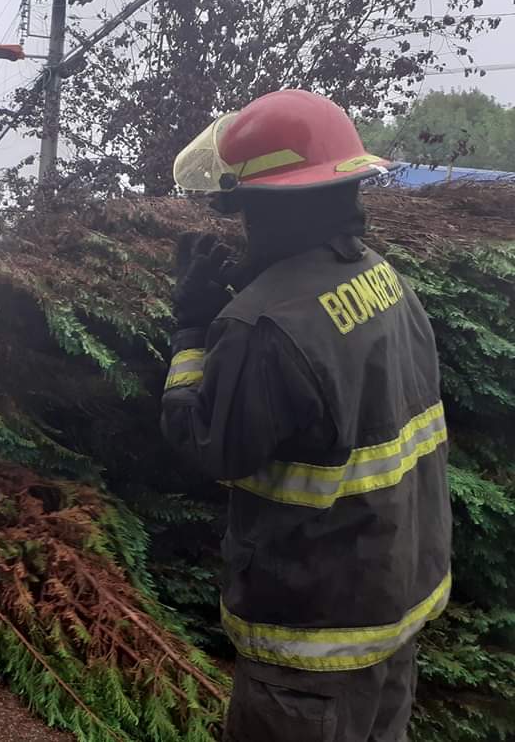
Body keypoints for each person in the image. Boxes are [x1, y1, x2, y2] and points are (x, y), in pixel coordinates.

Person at [162, 89, 452, 742]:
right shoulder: (386, 281)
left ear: (266, 205)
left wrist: (190, 330)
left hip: (311, 647)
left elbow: (204, 444)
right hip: (393, 609)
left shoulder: (261, 326)